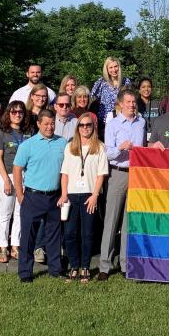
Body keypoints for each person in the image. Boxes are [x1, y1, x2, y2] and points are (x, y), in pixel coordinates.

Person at [13, 110, 67, 283]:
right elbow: (17, 169)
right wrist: (20, 194)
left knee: (53, 235)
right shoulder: (27, 145)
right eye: (46, 124)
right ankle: (25, 273)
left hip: (54, 197)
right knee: (28, 236)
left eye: (52, 124)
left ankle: (55, 269)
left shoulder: (62, 142)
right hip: (33, 196)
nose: (50, 127)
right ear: (38, 124)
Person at [98, 89, 146, 280]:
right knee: (111, 220)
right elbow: (107, 154)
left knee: (129, 221)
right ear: (120, 104)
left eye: (134, 102)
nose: (132, 105)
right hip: (117, 174)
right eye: (128, 102)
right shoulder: (113, 124)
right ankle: (104, 265)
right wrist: (120, 148)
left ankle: (127, 265)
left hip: (136, 174)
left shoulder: (142, 122)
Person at [59, 112, 109, 282]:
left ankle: (85, 267)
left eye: (88, 125)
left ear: (93, 127)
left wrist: (95, 195)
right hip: (72, 195)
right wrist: (64, 194)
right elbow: (64, 173)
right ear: (78, 128)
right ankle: (74, 265)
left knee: (87, 233)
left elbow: (101, 174)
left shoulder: (100, 147)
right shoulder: (70, 146)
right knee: (70, 233)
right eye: (82, 125)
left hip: (89, 194)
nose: (85, 128)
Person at [0, 101, 30, 262]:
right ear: (8, 114)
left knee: (20, 213)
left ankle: (15, 246)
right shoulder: (2, 132)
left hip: (25, 176)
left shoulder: (29, 131)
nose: (17, 115)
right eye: (14, 112)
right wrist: (6, 180)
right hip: (7, 175)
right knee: (5, 213)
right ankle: (3, 247)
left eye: (20, 112)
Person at [90, 56, 130, 129]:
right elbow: (92, 98)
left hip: (122, 120)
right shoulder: (101, 82)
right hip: (104, 123)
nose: (114, 70)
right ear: (107, 69)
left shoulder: (126, 81)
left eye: (115, 66)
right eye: (111, 67)